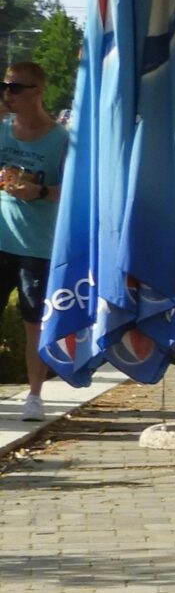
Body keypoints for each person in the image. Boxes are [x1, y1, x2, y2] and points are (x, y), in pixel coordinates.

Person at [1, 59, 70, 423]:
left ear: (37, 91)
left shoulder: (60, 140)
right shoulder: (2, 131)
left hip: (37, 246)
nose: (8, 93)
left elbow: (74, 192)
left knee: (33, 322)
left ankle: (34, 395)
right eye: (6, 86)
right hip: (1, 239)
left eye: (16, 87)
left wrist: (40, 191)